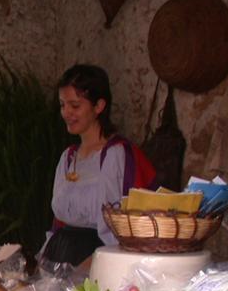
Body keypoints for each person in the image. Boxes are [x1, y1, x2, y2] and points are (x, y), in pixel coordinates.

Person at [41, 64, 155, 267]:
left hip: (97, 256)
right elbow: (58, 222)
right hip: (59, 253)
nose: (66, 113)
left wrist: (95, 263)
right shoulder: (68, 157)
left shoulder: (117, 155)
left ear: (99, 106)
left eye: (75, 106)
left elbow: (131, 222)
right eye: (62, 105)